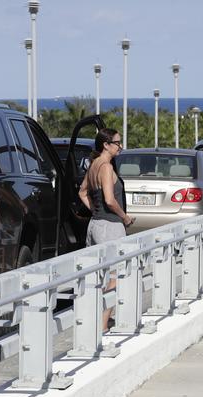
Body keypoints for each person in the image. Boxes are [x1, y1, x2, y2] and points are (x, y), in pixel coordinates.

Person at [78, 128, 134, 332]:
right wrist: (125, 217)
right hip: (110, 226)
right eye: (118, 143)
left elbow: (82, 192)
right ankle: (101, 325)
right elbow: (110, 200)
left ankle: (96, 321)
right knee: (114, 276)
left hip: (95, 225)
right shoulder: (106, 168)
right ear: (106, 145)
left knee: (97, 277)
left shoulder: (94, 165)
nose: (121, 147)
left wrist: (94, 210)